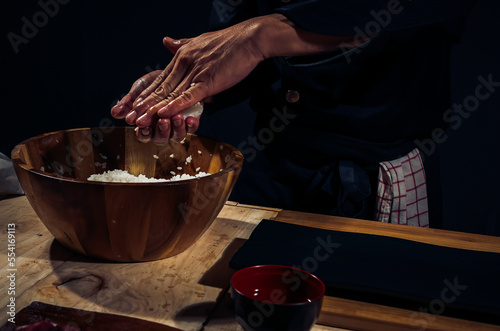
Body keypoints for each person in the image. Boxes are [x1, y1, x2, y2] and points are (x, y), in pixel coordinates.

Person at [111, 0, 477, 228]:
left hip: (376, 180)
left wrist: (262, 35)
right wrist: (190, 89)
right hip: (274, 172)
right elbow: (241, 37)